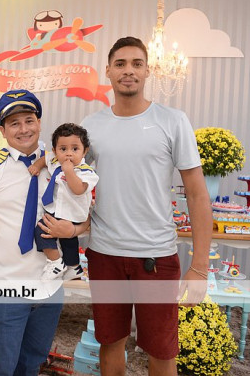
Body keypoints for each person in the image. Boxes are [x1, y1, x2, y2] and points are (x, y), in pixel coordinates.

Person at [80, 36, 212, 376]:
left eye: (136, 64)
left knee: (162, 349)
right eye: (120, 64)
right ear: (108, 71)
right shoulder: (91, 126)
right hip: (105, 253)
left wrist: (199, 266)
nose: (129, 71)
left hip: (157, 254)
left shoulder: (173, 120)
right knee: (110, 341)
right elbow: (74, 184)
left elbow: (197, 194)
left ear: (147, 71)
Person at [0, 89, 76, 376]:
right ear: (2, 130)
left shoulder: (61, 164)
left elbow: (83, 212)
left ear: (39, 123)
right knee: (0, 367)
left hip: (49, 286)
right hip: (6, 285)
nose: (23, 129)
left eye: (29, 120)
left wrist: (74, 228)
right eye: (14, 123)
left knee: (32, 363)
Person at [29, 122, 98, 281]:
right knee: (68, 241)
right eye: (63, 149)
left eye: (75, 149)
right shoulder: (54, 160)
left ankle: (55, 262)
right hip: (57, 209)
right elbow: (45, 159)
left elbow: (79, 189)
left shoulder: (86, 172)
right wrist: (36, 165)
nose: (68, 154)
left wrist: (69, 172)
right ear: (55, 150)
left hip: (73, 213)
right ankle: (74, 267)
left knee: (42, 231)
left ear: (85, 151)